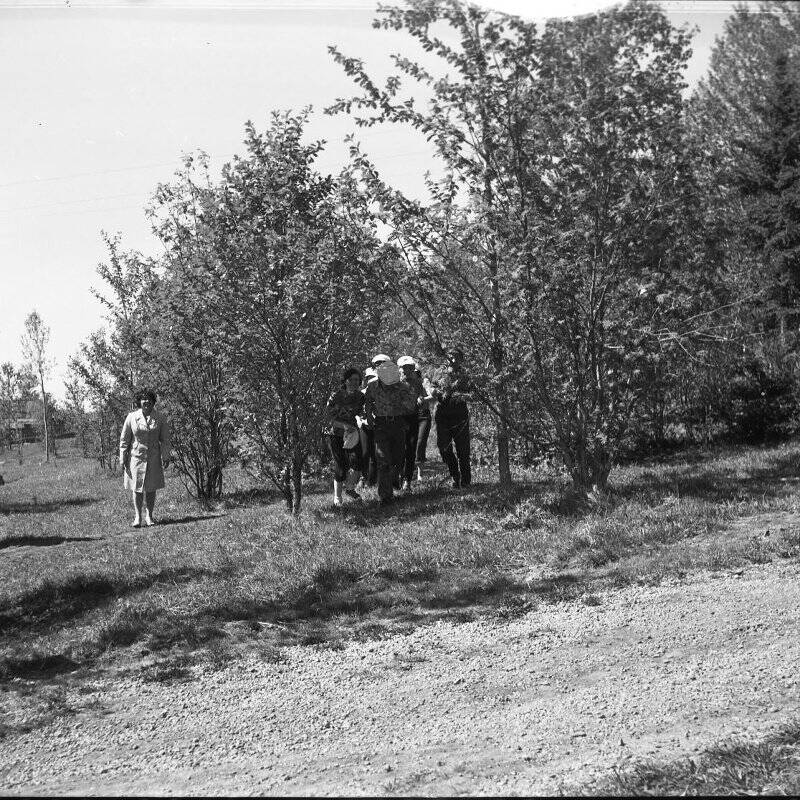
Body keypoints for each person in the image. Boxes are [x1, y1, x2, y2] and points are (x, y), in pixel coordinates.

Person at [363, 357, 417, 505]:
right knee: (382, 459)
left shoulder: (402, 387)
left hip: (398, 424)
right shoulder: (372, 385)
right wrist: (369, 417)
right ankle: (385, 497)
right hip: (381, 425)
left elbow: (411, 406)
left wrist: (402, 398)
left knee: (398, 459)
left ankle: (394, 478)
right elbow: (368, 401)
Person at [119, 387, 171, 527]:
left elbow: (165, 439)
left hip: (153, 456)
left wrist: (166, 456)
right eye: (143, 399)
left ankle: (149, 516)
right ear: (139, 402)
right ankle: (137, 517)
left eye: (149, 399)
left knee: (151, 487)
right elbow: (124, 440)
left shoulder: (160, 417)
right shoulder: (131, 417)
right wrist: (122, 458)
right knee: (137, 487)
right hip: (136, 457)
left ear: (153, 401)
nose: (146, 401)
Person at [429, 348, 472, 489]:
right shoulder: (439, 372)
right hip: (443, 417)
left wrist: (460, 392)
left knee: (463, 451)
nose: (453, 359)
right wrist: (433, 391)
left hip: (460, 417)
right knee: (444, 448)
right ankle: (455, 475)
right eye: (450, 357)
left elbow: (471, 392)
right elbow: (431, 387)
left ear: (461, 359)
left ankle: (466, 481)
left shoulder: (465, 375)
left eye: (456, 357)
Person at [325, 367, 365, 506]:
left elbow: (360, 413)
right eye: (351, 379)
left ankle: (349, 488)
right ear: (345, 380)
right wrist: (344, 426)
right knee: (340, 466)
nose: (354, 382)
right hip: (336, 433)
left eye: (357, 380)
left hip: (352, 433)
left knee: (358, 462)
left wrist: (362, 419)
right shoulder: (335, 395)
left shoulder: (360, 396)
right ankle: (337, 498)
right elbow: (327, 418)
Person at [397, 355, 430, 492]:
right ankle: (398, 477)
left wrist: (421, 400)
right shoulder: (395, 383)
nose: (407, 370)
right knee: (399, 450)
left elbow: (424, 399)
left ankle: (407, 480)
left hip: (412, 418)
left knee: (411, 449)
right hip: (398, 419)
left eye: (410, 368)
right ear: (400, 369)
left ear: (413, 369)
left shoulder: (418, 382)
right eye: (404, 368)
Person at [357, 367, 378, 488]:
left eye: (373, 378)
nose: (371, 380)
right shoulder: (362, 393)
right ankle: (363, 477)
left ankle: (372, 480)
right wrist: (359, 420)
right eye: (369, 378)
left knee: (375, 454)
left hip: (377, 425)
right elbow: (357, 410)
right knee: (365, 453)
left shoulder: (381, 392)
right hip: (364, 426)